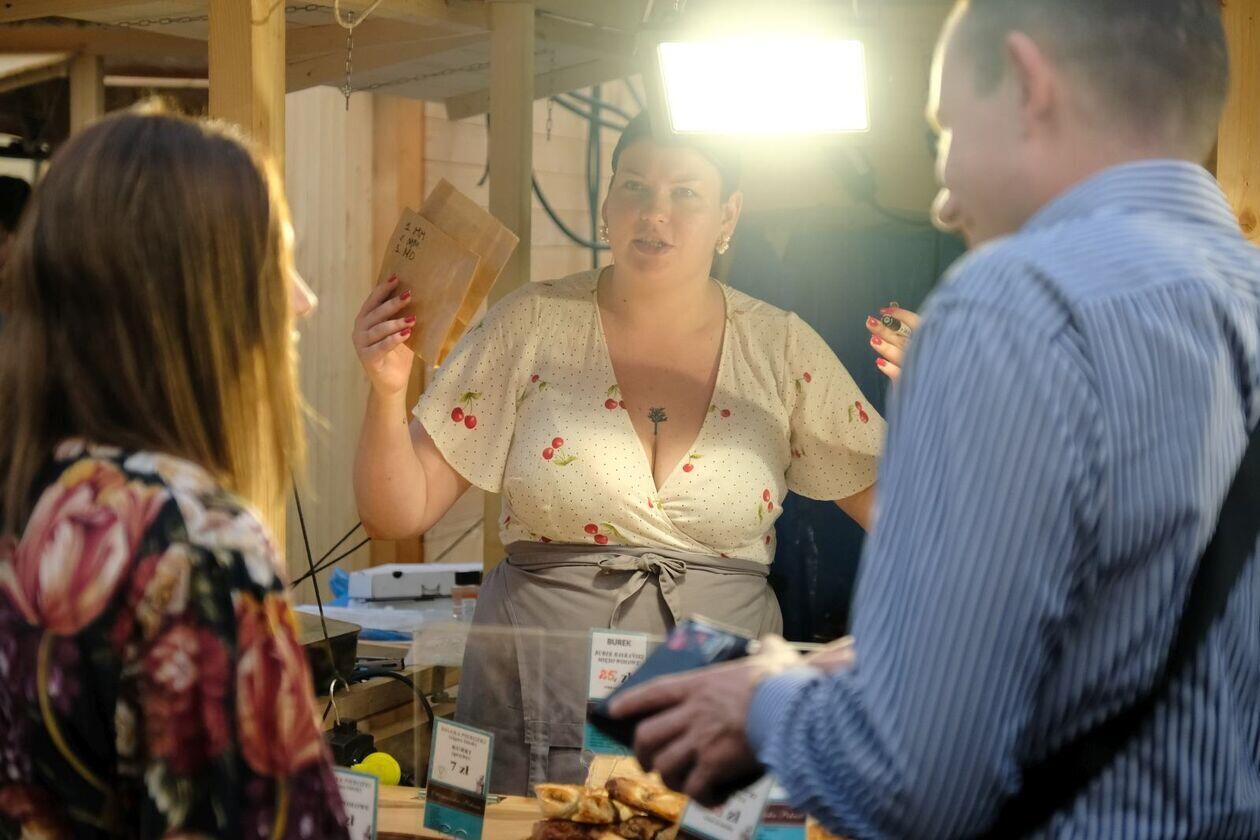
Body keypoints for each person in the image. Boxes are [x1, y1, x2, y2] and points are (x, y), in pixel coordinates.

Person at [610, 0, 1260, 836]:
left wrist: (763, 700)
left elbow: (914, 782)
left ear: (1028, 84)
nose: (945, 200)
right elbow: (1127, 616)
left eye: (944, 131)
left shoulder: (1013, 304)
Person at [353, 113, 885, 794]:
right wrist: (386, 390)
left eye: (685, 192)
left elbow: (909, 523)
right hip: (534, 674)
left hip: (721, 696)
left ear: (728, 215)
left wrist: (951, 404)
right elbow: (396, 513)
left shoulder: (780, 347)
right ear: (607, 204)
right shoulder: (531, 322)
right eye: (634, 186)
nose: (654, 213)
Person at [0, 107, 350, 838]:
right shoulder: (197, 543)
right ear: (194, 303)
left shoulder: (35, 502)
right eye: (272, 262)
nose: (303, 301)